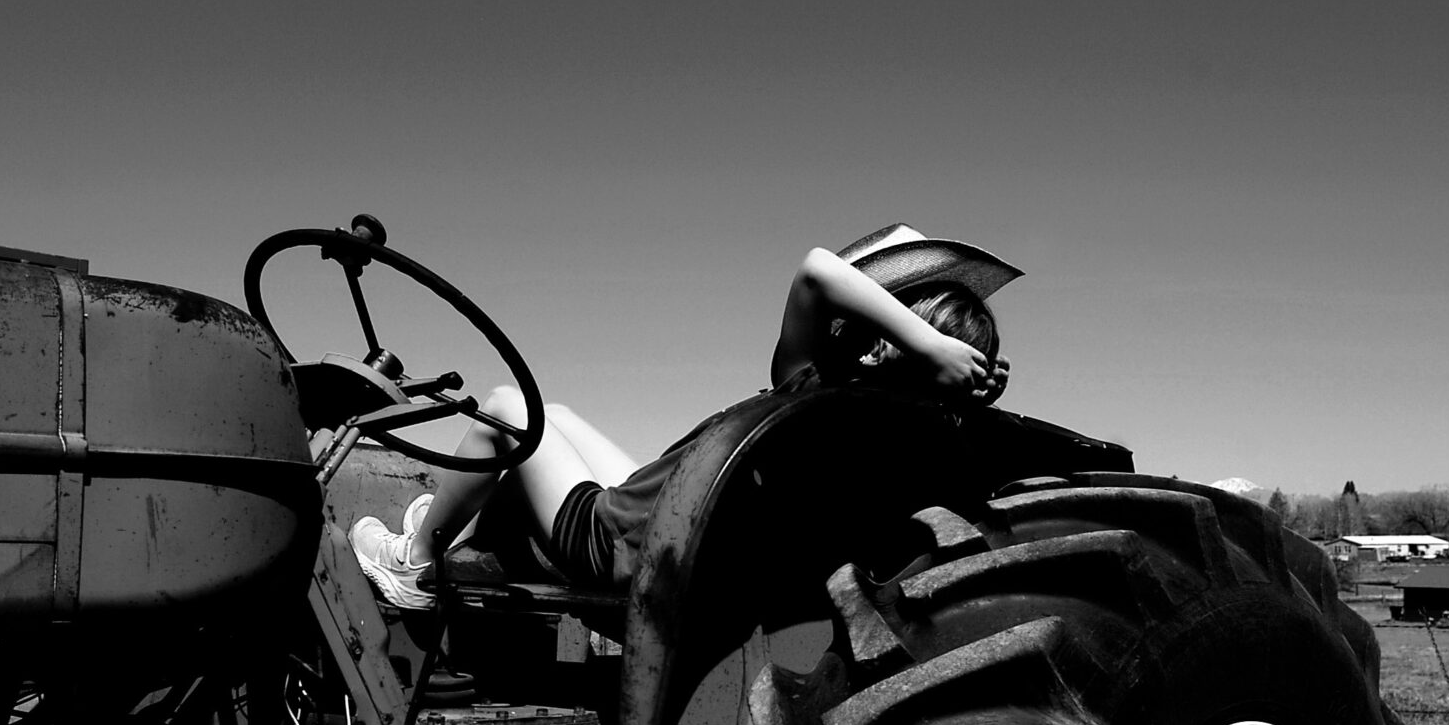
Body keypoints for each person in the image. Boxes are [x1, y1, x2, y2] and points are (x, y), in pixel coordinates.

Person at [351, 225, 1018, 609]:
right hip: (657, 530)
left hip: (621, 549)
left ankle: (417, 558)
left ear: (880, 344)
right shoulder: (868, 436)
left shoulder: (809, 393)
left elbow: (816, 270)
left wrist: (927, 344)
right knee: (553, 414)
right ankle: (465, 533)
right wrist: (945, 374)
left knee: (506, 410)